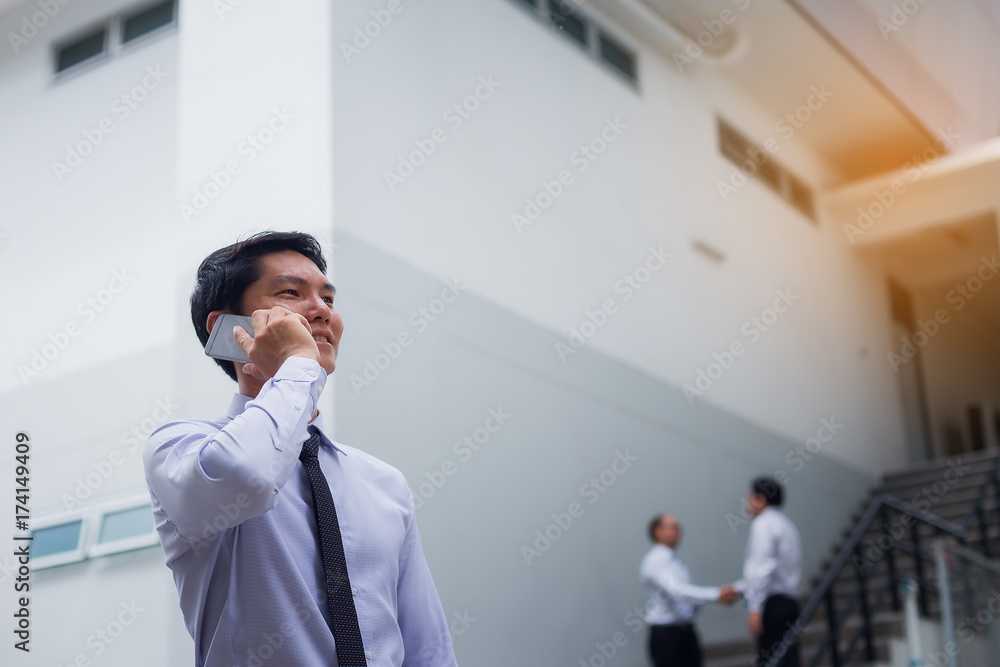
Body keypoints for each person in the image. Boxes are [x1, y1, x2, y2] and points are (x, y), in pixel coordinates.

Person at [143, 231, 457, 667]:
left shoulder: (384, 482)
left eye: (328, 299)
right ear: (229, 330)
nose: (321, 311)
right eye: (291, 293)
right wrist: (297, 367)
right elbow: (248, 478)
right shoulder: (181, 447)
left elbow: (427, 646)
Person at [640, 513, 740, 667]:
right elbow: (677, 591)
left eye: (679, 528)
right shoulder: (654, 560)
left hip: (686, 631)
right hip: (666, 635)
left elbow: (686, 596)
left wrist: (715, 597)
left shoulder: (676, 559)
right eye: (673, 528)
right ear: (657, 531)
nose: (678, 532)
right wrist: (716, 594)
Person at [739, 477, 802, 667]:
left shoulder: (763, 524)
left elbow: (763, 568)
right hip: (789, 602)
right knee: (788, 659)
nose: (747, 502)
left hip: (773, 605)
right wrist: (740, 587)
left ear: (760, 499)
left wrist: (755, 608)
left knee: (771, 660)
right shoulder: (787, 525)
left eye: (750, 497)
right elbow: (775, 569)